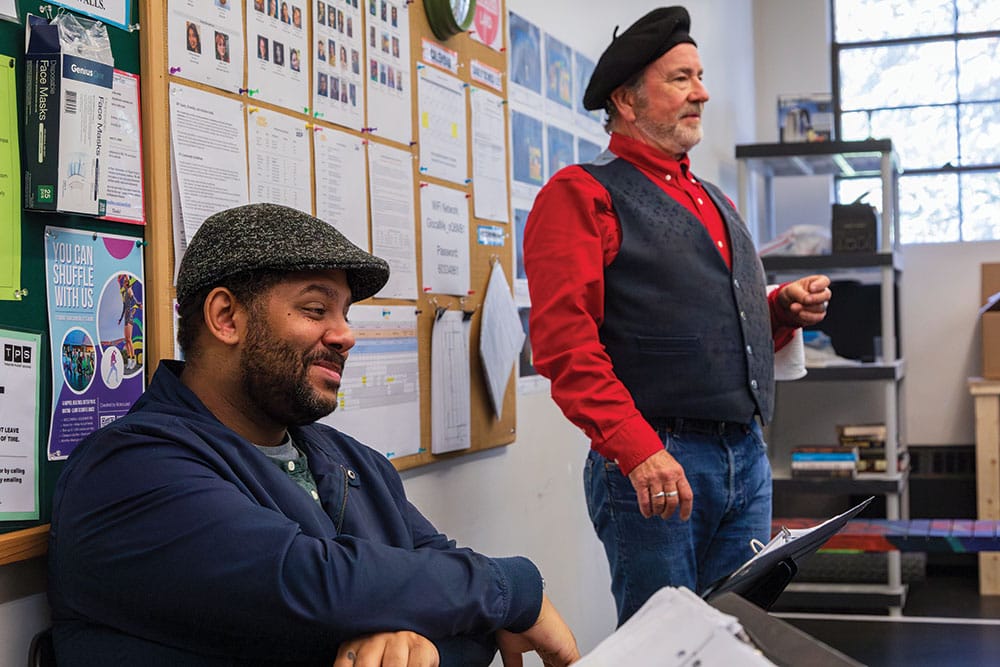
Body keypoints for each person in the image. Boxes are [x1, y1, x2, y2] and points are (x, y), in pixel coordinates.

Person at [48, 203, 581, 667]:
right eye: (314, 309)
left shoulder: (356, 463)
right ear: (226, 316)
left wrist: (429, 649)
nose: (346, 334)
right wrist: (515, 588)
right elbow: (314, 587)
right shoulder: (128, 468)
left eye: (344, 313)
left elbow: (468, 610)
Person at [523, 6, 832, 626]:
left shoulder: (715, 199)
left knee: (735, 636)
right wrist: (637, 451)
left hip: (743, 454)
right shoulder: (581, 193)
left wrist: (778, 311)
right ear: (627, 101)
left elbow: (708, 325)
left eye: (699, 76)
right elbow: (563, 344)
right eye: (681, 79)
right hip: (657, 457)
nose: (703, 93)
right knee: (663, 644)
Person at [116, 273, 142, 371]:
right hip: (126, 317)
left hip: (130, 317)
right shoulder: (123, 294)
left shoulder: (129, 290)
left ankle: (133, 359)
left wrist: (138, 305)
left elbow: (134, 300)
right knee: (126, 340)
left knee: (129, 339)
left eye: (125, 282)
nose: (124, 283)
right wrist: (120, 318)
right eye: (124, 282)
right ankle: (129, 359)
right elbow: (123, 308)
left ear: (128, 283)